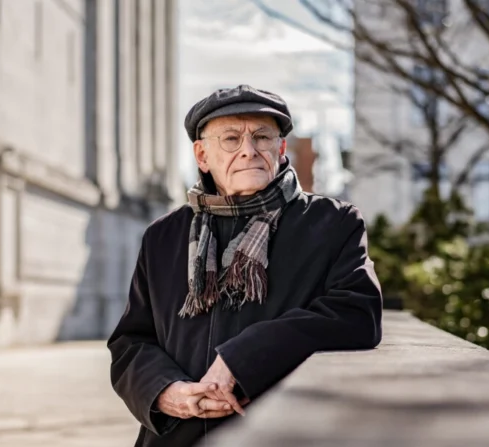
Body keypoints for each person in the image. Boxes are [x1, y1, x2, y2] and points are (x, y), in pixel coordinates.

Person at [108, 84, 383, 447]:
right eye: (231, 139)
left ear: (281, 149)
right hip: (175, 437)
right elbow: (131, 340)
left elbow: (358, 314)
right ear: (202, 155)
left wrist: (244, 358)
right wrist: (164, 391)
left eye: (262, 137)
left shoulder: (334, 223)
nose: (248, 151)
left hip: (277, 435)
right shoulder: (163, 236)